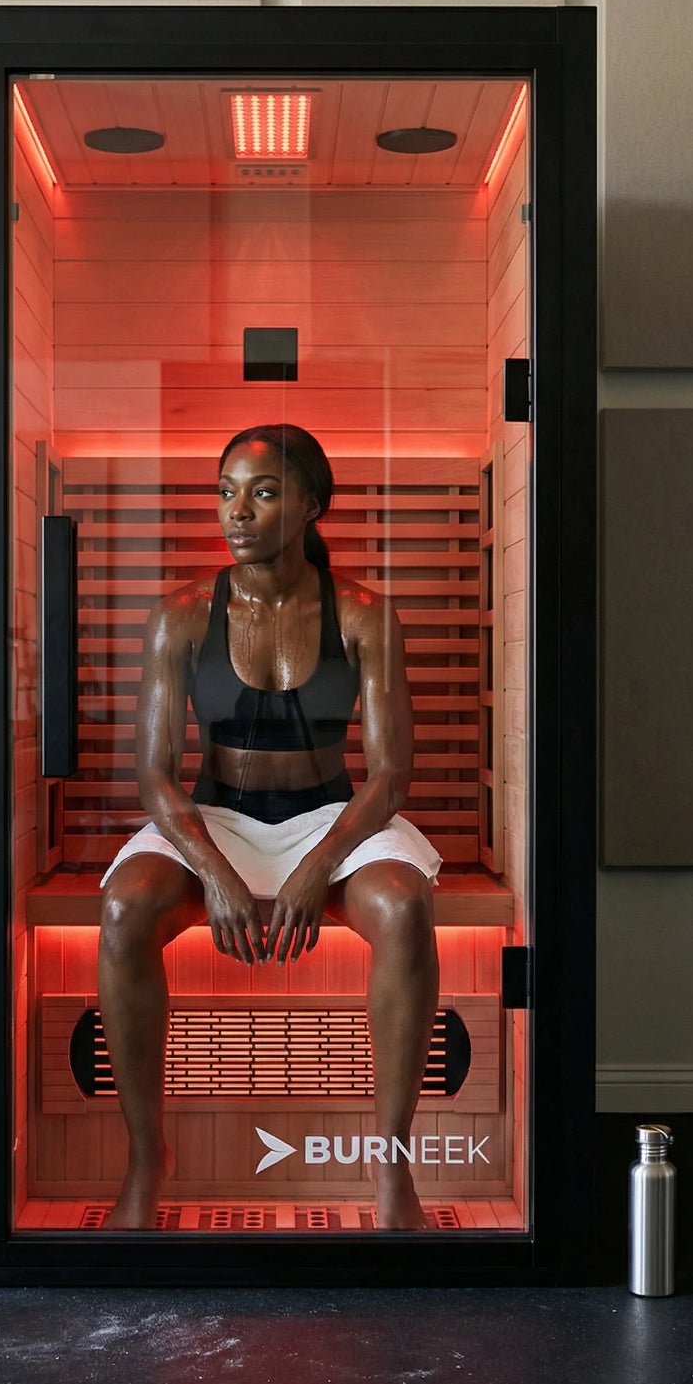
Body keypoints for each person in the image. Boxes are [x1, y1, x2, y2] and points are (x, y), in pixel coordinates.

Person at [96, 422, 442, 1231]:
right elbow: (153, 775)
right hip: (215, 813)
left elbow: (390, 773)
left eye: (262, 491)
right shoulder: (179, 616)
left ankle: (390, 1167)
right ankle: (147, 1157)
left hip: (330, 814)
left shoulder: (363, 615)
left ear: (310, 504)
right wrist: (214, 869)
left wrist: (321, 862)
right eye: (226, 491)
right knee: (123, 905)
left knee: (402, 905)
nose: (236, 511)